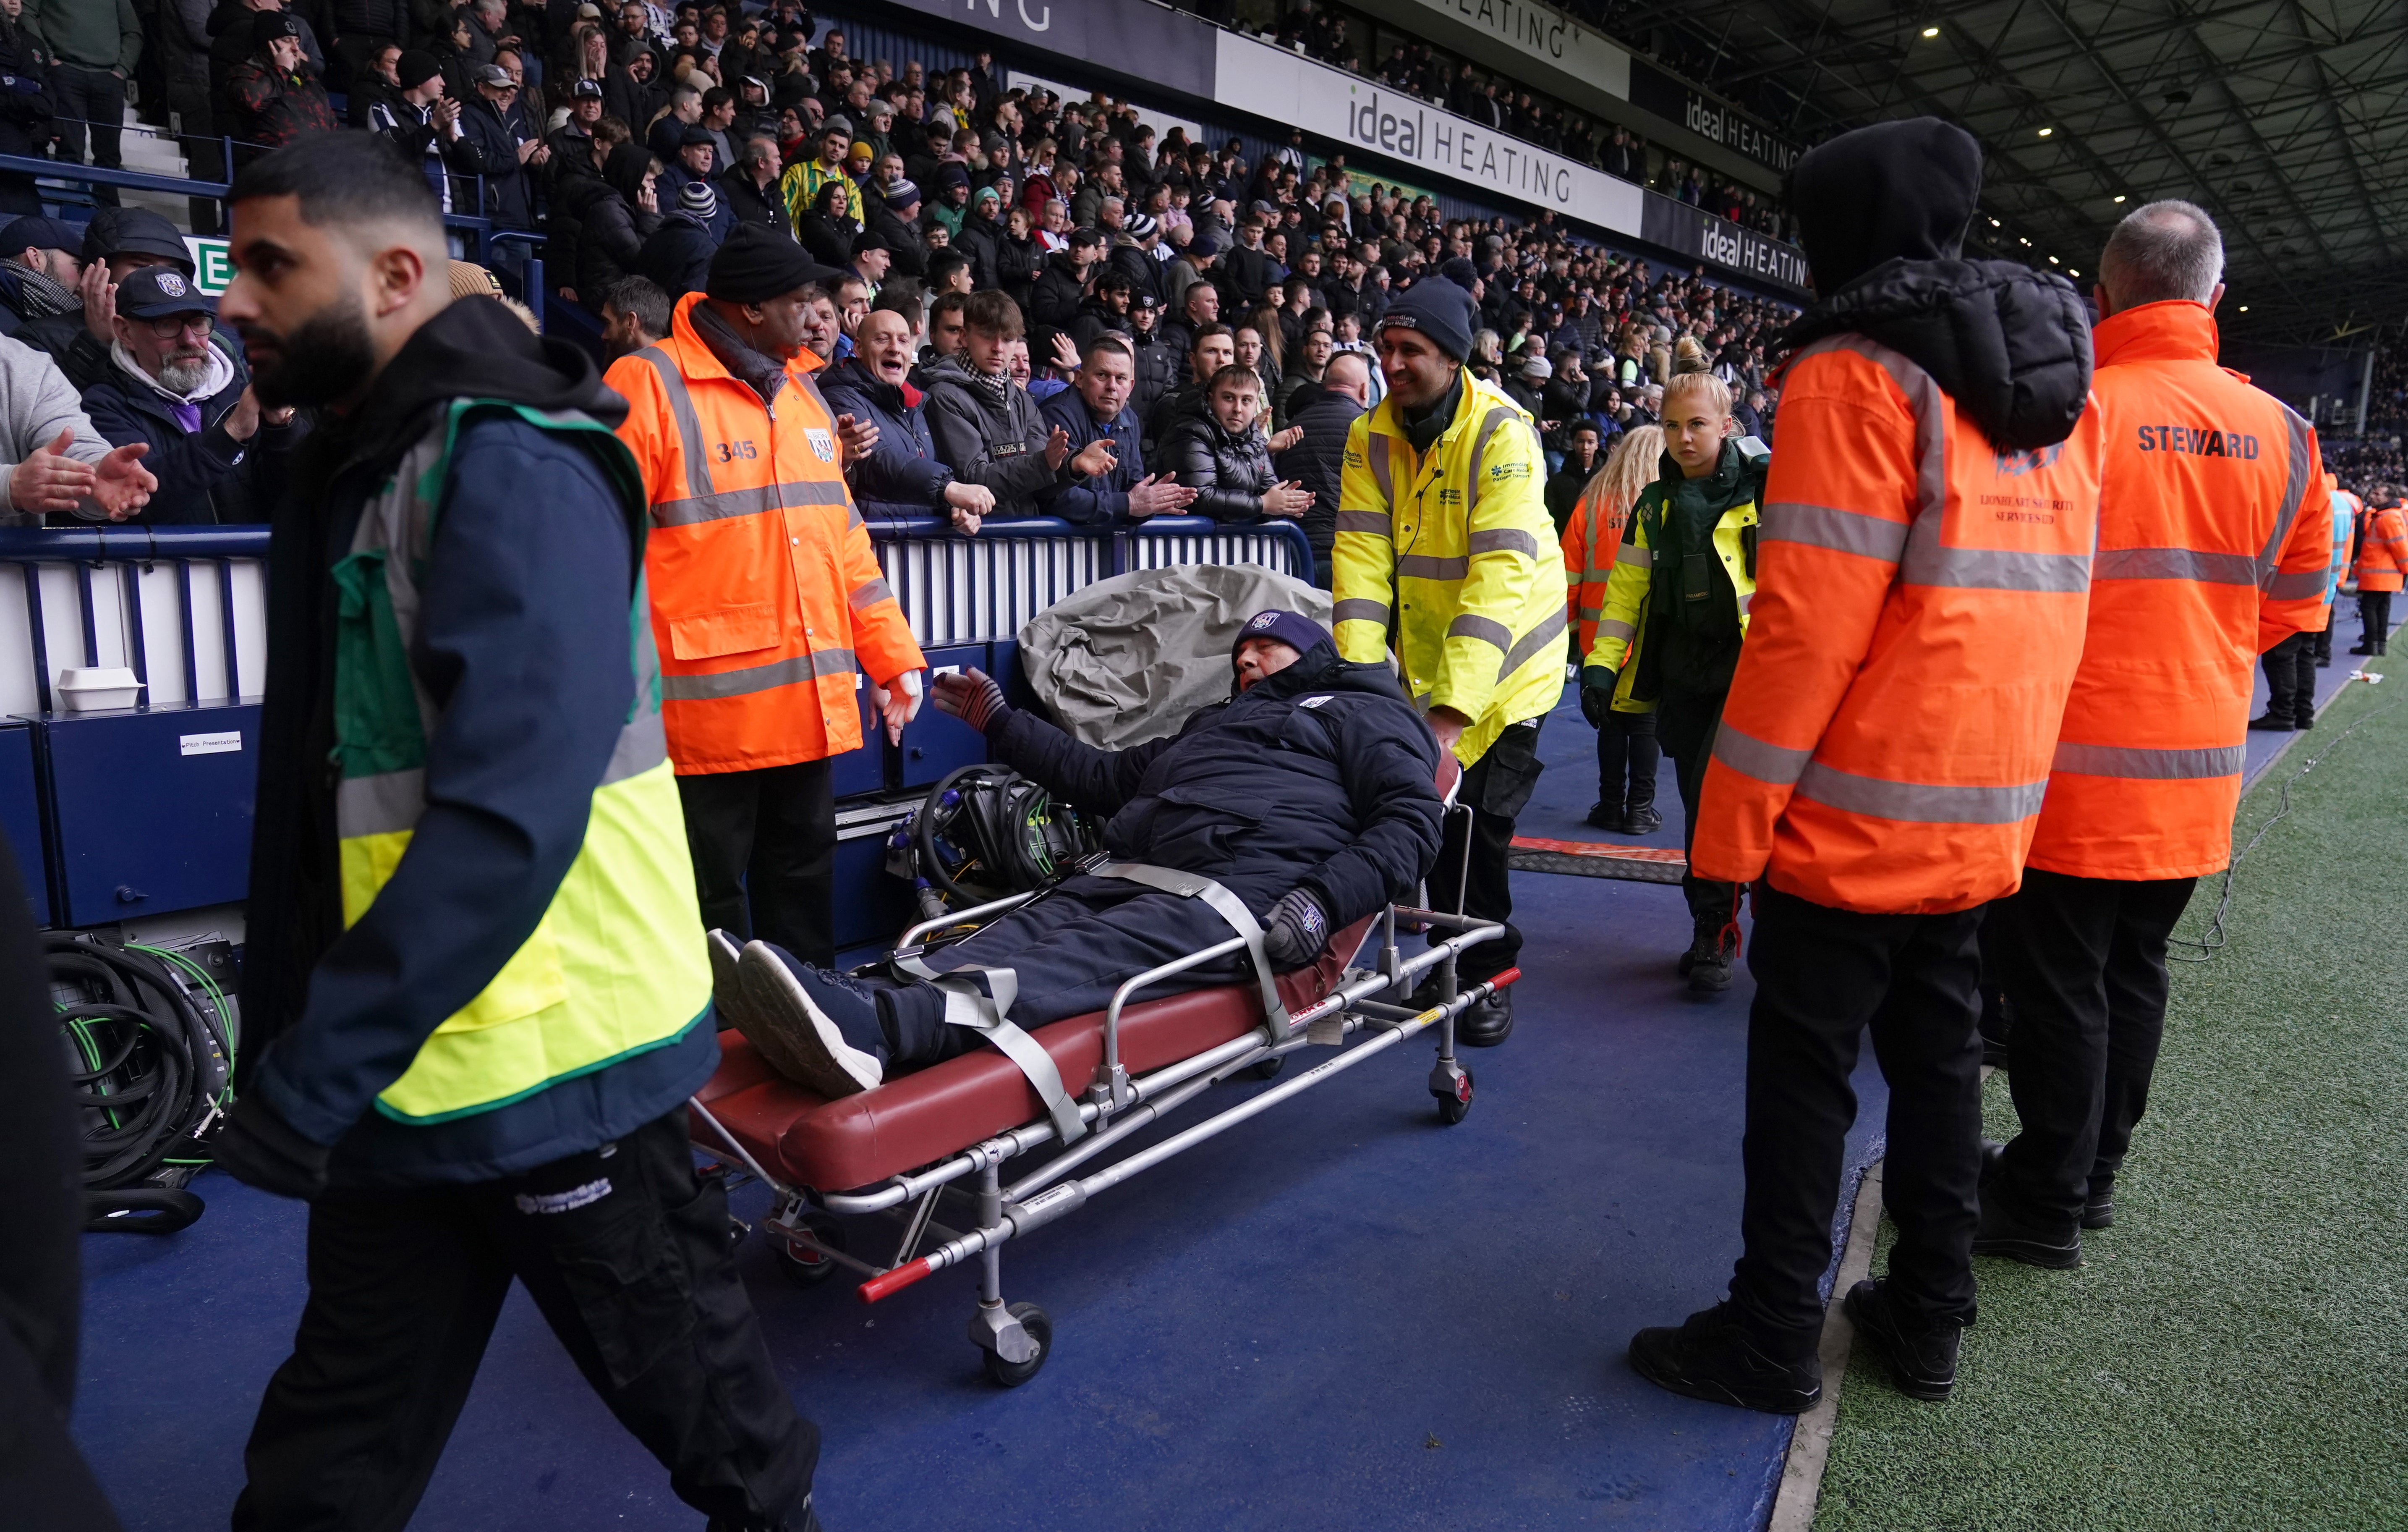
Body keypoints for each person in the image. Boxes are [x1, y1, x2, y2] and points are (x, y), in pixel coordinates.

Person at [205, 132, 824, 1532]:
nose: (230, 299)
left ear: (401, 272)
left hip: (552, 1062)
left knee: (714, 1421)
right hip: (418, 1069)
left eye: (267, 266)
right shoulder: (366, 457)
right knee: (330, 1448)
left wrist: (316, 1064)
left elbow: (506, 812)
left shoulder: (506, 462)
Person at [1627, 118, 2105, 1414]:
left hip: (1849, 818)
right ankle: (1928, 1316)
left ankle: (1771, 1334)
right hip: (1980, 805)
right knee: (1939, 1067)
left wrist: (1725, 835)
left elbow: (1800, 635)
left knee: (1802, 1082)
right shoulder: (2058, 381)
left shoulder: (1854, 374)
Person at [1979, 201, 2333, 1267]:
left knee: (2056, 986)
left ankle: (2043, 1195)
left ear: (2101, 295)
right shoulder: (2286, 435)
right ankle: (2090, 1180)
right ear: (2212, 299)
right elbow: (2294, 610)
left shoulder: (2072, 408)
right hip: (2194, 767)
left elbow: (1997, 585)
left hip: (2063, 764)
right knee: (2134, 973)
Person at [715, 613, 1443, 1105]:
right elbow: (1100, 779)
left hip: (1236, 892)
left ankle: (886, 1029)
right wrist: (999, 721)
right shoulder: (1210, 727)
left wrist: (1320, 899)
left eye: (1266, 648)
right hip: (1122, 872)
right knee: (994, 938)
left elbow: (1411, 821)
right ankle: (855, 994)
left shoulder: (1365, 713)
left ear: (1312, 654)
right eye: (1239, 653)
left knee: (1073, 959)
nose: (1246, 658)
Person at [605, 228, 926, 968]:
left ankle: (811, 1025)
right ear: (751, 309)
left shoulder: (805, 392)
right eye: (802, 301)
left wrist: (891, 656)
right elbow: (595, 546)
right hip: (703, 720)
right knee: (705, 901)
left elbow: (844, 543)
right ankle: (713, 1055)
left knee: (803, 882)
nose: (821, 317)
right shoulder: (646, 384)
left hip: (805, 707)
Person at [1331, 274, 1565, 1046]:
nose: (1392, 364)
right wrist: (1363, 680)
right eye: (1385, 348)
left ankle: (1489, 968)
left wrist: (1450, 713)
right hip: (1429, 662)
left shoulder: (1503, 434)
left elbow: (1499, 576)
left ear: (1453, 357)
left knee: (1477, 828)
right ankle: (1445, 957)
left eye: (1411, 351)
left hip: (1511, 666)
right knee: (1421, 820)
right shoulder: (1371, 435)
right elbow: (1360, 562)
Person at [1577, 338, 1765, 993]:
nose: (1684, 438)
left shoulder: (1767, 488)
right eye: (1672, 425)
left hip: (1757, 679)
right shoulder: (1652, 507)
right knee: (1699, 809)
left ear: (1728, 426)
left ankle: (1733, 933)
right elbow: (1625, 594)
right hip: (1685, 677)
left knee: (1738, 808)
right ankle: (1711, 927)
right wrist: (1602, 666)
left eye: (1698, 425)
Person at [78, 265, 298, 524]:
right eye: (167, 324)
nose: (190, 340)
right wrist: (232, 433)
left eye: (197, 323)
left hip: (260, 564)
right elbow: (140, 504)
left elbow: (299, 499)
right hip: (163, 565)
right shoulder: (102, 406)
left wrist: (281, 426)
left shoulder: (243, 389)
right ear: (126, 333)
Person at [923, 288, 1110, 521]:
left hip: (1023, 541)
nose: (998, 348)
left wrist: (1073, 465)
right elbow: (973, 480)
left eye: (1008, 339)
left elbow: (1040, 484)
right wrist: (1045, 463)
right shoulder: (944, 396)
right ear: (964, 336)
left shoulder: (1021, 398)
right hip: (974, 543)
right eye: (987, 335)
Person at [1563, 424, 1663, 835]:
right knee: (1644, 723)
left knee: (1609, 721)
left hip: (1597, 636)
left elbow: (1566, 574)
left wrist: (1567, 635)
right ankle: (1640, 808)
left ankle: (1609, 803)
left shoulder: (1590, 505)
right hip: (1644, 637)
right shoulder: (1663, 505)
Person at [818, 304, 994, 527]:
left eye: (903, 341)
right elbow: (877, 458)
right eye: (883, 339)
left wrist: (955, 508)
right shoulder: (839, 396)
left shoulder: (917, 404)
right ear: (859, 348)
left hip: (918, 549)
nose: (895, 348)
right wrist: (949, 489)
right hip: (874, 544)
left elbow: (923, 473)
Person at [1037, 331, 1195, 526]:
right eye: (1102, 375)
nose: (1112, 386)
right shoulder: (1057, 415)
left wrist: (1151, 503)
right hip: (1062, 549)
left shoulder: (1130, 418)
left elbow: (1132, 490)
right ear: (1079, 378)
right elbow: (1057, 498)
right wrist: (1128, 504)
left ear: (1130, 387)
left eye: (1120, 379)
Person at [0, 333, 153, 524]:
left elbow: (70, 436)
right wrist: (9, 485)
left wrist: (93, 473)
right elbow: (14, 484)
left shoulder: (26, 365)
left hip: (21, 553)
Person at [23, 0, 139, 207]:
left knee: (109, 158)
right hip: (66, 73)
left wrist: (121, 70)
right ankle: (68, 218)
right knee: (70, 152)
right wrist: (49, 57)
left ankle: (111, 222)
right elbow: (26, 13)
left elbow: (133, 32)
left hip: (108, 78)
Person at [1166, 363, 1312, 526]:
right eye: (1229, 398)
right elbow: (1201, 496)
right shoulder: (1190, 430)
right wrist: (1263, 504)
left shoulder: (1254, 437)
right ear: (1211, 398)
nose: (1238, 409)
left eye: (1246, 401)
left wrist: (1286, 503)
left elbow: (1270, 495)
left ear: (1256, 405)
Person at [1275, 348, 1370, 587]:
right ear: (1365, 390)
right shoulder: (1369, 430)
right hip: (1351, 554)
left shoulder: (1290, 430)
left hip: (1297, 553)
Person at [220, 11, 335, 156]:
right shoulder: (246, 73)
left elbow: (332, 124)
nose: (296, 48)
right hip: (277, 168)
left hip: (318, 168)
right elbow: (251, 102)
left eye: (297, 41)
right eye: (287, 40)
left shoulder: (307, 79)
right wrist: (282, 71)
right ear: (267, 44)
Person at [2349, 482, 2404, 655]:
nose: (2372, 496)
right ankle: (2379, 644)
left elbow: (2401, 547)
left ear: (2388, 499)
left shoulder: (2388, 518)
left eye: (2378, 494)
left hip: (2378, 574)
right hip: (2383, 574)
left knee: (2370, 608)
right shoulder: (2386, 516)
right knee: (2381, 608)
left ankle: (2372, 644)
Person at [1545, 421, 1602, 535]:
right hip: (1564, 543)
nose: (1585, 447)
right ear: (1573, 444)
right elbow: (1548, 517)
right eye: (1581, 442)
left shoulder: (1606, 480)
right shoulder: (1557, 482)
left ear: (1597, 445)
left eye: (1590, 442)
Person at [598, 272, 669, 358]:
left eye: (608, 324)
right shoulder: (671, 365)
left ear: (631, 322)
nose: (604, 336)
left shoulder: (633, 369)